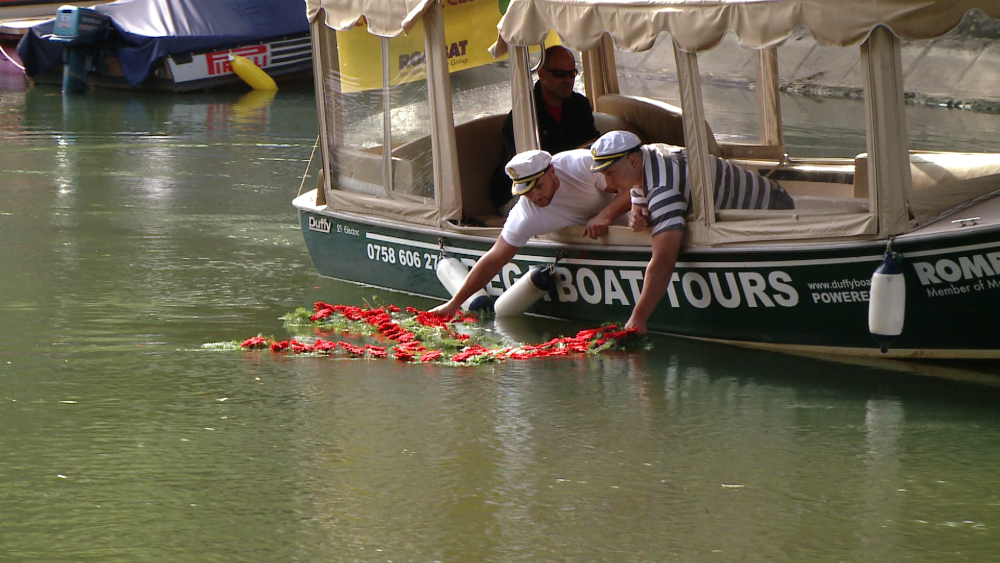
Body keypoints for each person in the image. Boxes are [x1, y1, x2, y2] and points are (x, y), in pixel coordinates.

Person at [590, 130, 796, 334]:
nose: (608, 184)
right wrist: (638, 213)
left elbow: (663, 262)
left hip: (773, 212)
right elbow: (638, 189)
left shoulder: (663, 188)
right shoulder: (649, 155)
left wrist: (639, 317)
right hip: (774, 196)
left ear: (632, 162)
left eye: (610, 173)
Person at [430, 148, 630, 317]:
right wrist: (453, 305)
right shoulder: (525, 214)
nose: (534, 196)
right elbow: (493, 260)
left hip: (635, 224)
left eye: (539, 186)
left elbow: (634, 187)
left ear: (552, 170)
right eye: (526, 191)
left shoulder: (581, 164)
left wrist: (606, 214)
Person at [489, 45, 600, 214]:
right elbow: (523, 174)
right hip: (521, 193)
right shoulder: (523, 114)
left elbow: (592, 148)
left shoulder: (579, 105)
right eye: (560, 74)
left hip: (566, 184)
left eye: (572, 74)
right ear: (542, 74)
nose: (568, 80)